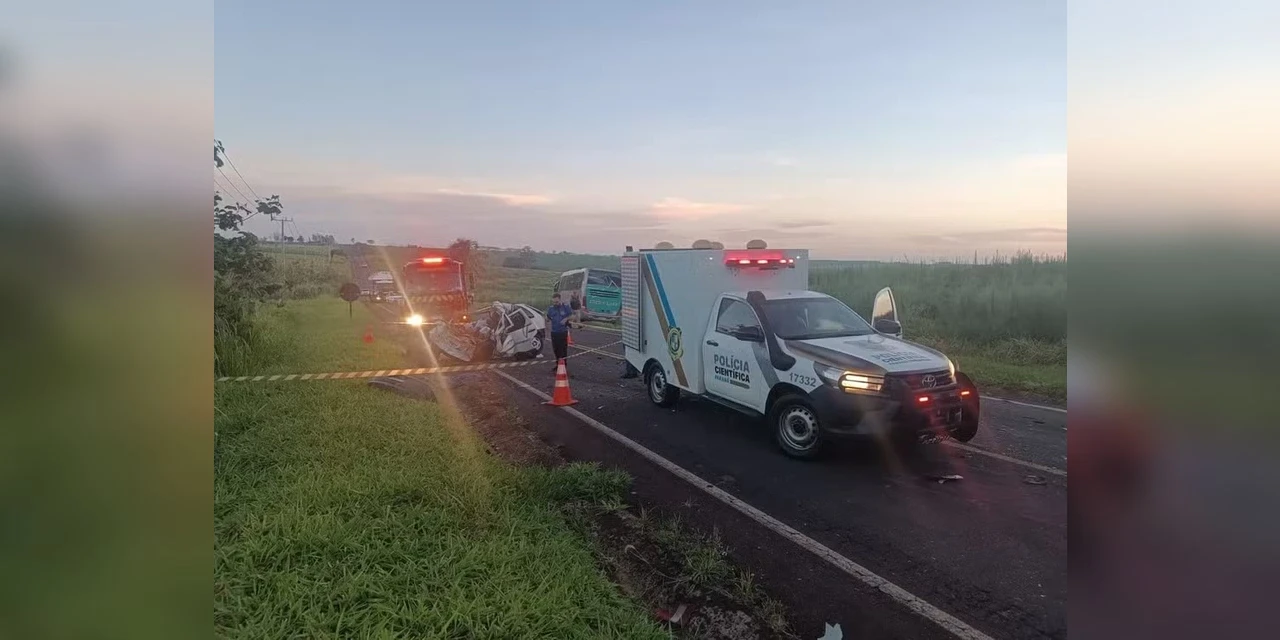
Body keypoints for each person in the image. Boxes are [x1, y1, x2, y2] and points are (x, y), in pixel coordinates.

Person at [546, 292, 574, 372]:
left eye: (557, 302)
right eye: (554, 302)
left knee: (563, 350)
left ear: (560, 300)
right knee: (556, 350)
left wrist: (566, 319)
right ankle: (558, 364)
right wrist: (547, 319)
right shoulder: (551, 308)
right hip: (554, 332)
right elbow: (548, 317)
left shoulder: (565, 307)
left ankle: (564, 365)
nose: (556, 303)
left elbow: (572, 315)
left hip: (563, 332)